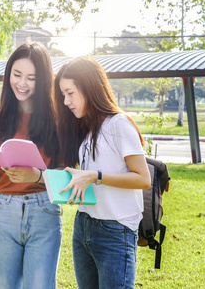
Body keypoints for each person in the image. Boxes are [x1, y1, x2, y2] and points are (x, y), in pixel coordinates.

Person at [0, 42, 62, 288]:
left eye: (31, 78)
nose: (22, 83)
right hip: (2, 211)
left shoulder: (58, 119)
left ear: (44, 80)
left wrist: (37, 175)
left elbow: (68, 175)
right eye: (17, 75)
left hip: (44, 209)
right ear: (8, 76)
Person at [53, 57, 151, 289]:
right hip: (84, 225)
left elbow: (143, 179)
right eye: (63, 95)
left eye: (70, 93)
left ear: (89, 88)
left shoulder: (119, 124)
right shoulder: (88, 129)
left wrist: (95, 176)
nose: (66, 101)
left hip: (115, 231)